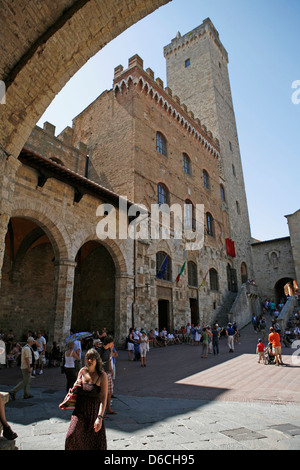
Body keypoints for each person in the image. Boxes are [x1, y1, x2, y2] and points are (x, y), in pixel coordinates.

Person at [65, 348, 108, 450]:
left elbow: (103, 398)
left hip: (93, 413)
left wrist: (100, 417)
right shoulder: (82, 371)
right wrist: (75, 386)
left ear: (97, 360)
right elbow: (75, 390)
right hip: (79, 411)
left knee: (92, 443)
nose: (89, 361)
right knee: (71, 436)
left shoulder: (102, 376)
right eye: (87, 358)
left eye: (92, 358)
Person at [99, 336, 117, 415]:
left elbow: (109, 360)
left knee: (109, 392)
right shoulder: (101, 350)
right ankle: (101, 412)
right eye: (112, 342)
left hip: (107, 372)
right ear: (109, 343)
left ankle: (108, 409)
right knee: (103, 392)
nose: (113, 344)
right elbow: (98, 362)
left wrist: (111, 370)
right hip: (102, 373)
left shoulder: (108, 350)